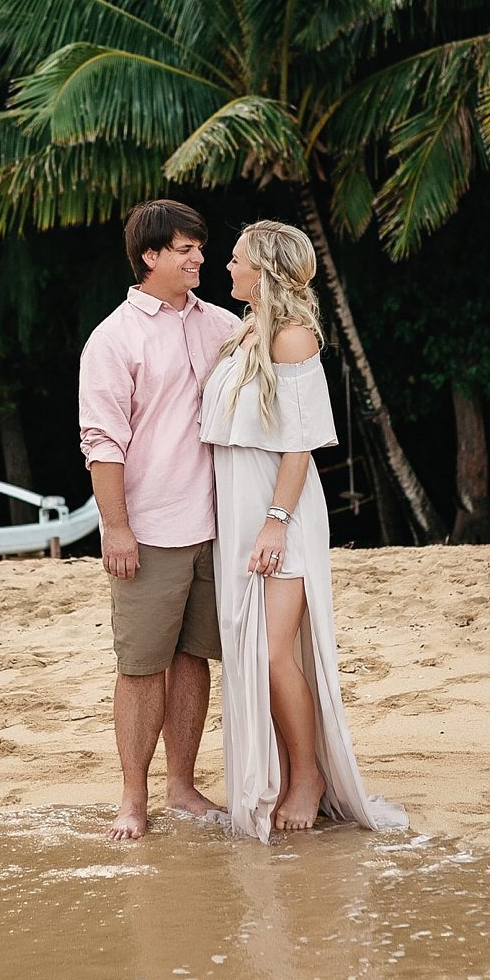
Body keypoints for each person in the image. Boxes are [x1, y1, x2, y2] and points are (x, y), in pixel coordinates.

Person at [202, 220, 405, 841]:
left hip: (277, 514)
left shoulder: (293, 339)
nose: (226, 268)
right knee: (257, 650)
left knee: (273, 652)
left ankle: (308, 777)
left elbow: (300, 445)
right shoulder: (244, 335)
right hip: (240, 513)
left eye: (235, 260)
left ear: (261, 271)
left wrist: (275, 522)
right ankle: (288, 771)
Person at [78, 199, 244, 841]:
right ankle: (132, 798)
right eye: (185, 248)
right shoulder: (113, 338)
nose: (199, 257)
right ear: (150, 256)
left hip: (216, 525)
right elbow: (103, 443)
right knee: (142, 664)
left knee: (195, 658)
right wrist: (116, 528)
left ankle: (181, 785)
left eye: (201, 247)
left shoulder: (224, 326)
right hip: (147, 528)